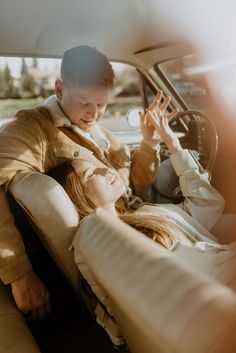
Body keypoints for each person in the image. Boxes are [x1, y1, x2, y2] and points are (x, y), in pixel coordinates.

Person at [0, 45, 176, 320]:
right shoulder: (33, 129)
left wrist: (149, 143)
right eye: (84, 102)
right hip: (117, 242)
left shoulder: (99, 130)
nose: (94, 114)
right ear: (59, 89)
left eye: (101, 104)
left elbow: (136, 188)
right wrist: (18, 273)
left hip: (142, 219)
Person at [60, 106, 236, 293]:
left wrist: (171, 141)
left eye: (97, 166)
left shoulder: (141, 215)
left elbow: (205, 206)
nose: (105, 169)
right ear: (79, 197)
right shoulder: (134, 237)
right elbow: (211, 271)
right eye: (90, 174)